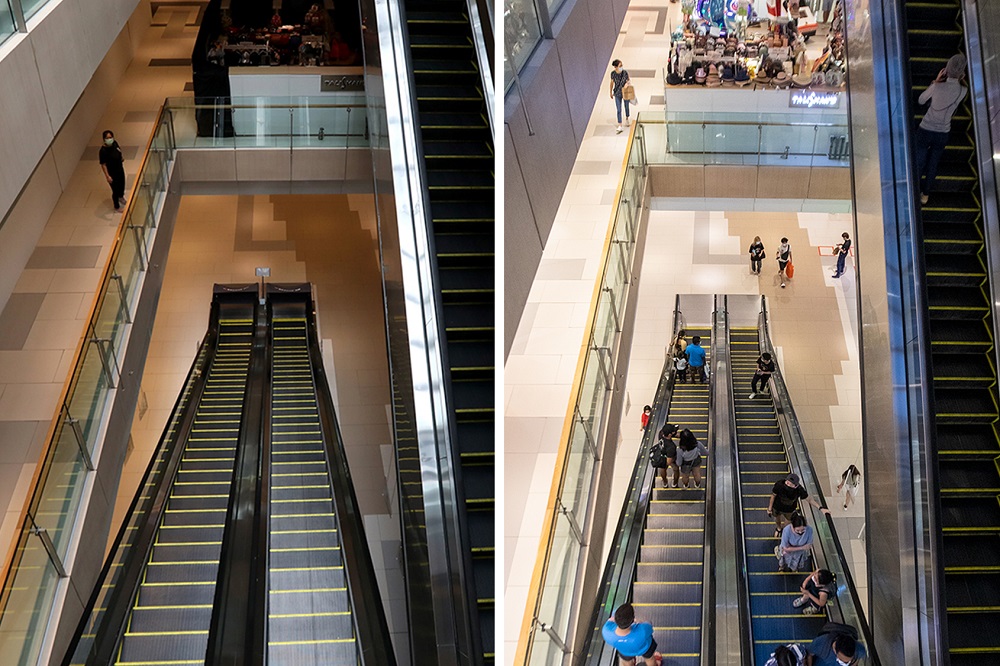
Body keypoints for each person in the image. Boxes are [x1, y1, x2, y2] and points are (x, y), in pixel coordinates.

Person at [914, 53, 967, 205]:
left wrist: (935, 81)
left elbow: (921, 100)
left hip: (925, 129)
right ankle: (925, 195)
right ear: (962, 73)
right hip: (943, 133)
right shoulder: (963, 91)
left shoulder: (937, 86)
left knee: (920, 162)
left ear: (946, 70)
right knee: (933, 163)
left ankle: (914, 189)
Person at [99, 130, 126, 212]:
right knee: (115, 189)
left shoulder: (114, 143)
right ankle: (116, 206)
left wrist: (121, 157)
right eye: (107, 138)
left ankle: (121, 196)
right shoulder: (103, 151)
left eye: (110, 137)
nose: (109, 139)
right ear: (104, 139)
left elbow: (118, 150)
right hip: (112, 172)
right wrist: (107, 176)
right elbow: (103, 164)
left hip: (120, 169)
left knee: (122, 184)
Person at [651, 423, 680, 488]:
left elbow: (675, 435)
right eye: (673, 431)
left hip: (661, 454)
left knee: (662, 469)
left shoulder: (661, 433)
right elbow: (668, 462)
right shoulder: (671, 447)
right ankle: (675, 483)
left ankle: (665, 482)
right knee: (676, 469)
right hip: (669, 457)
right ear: (670, 434)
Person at [609, 59, 632, 134]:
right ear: (615, 67)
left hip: (625, 92)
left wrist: (627, 84)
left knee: (626, 106)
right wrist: (610, 92)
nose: (621, 67)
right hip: (617, 93)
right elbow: (612, 83)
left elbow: (628, 80)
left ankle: (627, 118)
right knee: (618, 109)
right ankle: (620, 124)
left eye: (622, 65)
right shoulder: (613, 74)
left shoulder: (625, 73)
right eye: (620, 66)